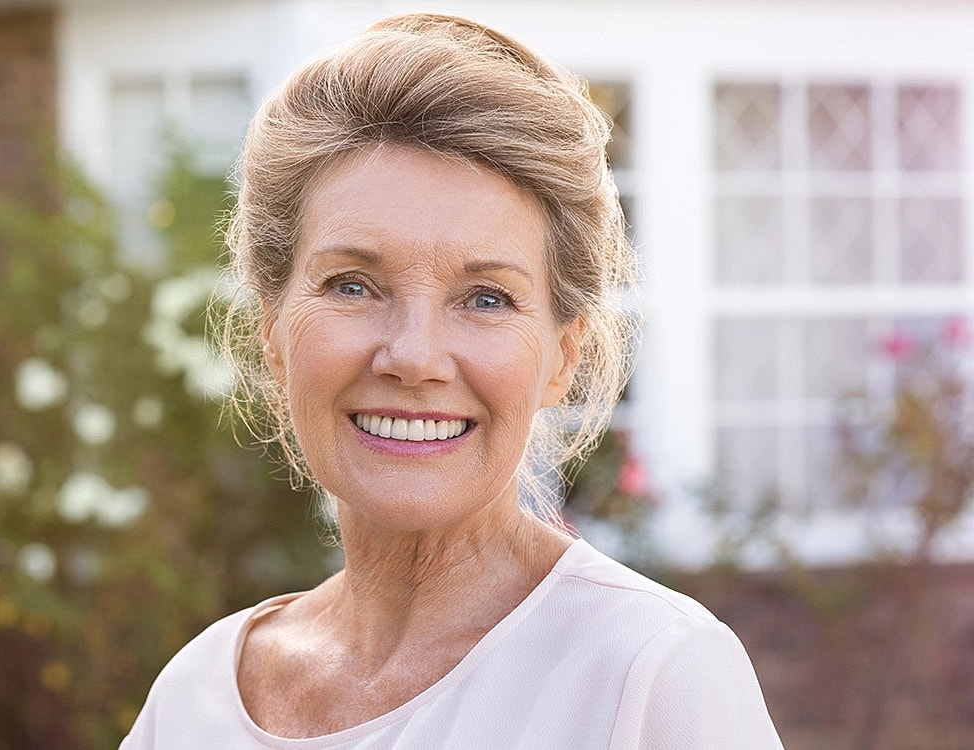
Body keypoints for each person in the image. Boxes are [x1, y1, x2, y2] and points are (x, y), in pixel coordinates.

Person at [121, 12, 784, 749]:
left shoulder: (650, 673)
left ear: (562, 356)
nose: (414, 356)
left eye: (486, 299)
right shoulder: (194, 698)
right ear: (273, 333)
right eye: (352, 285)